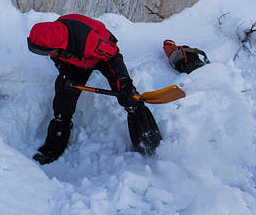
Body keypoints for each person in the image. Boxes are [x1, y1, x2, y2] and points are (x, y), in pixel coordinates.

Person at [27, 13, 160, 164]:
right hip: (76, 59)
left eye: (48, 52)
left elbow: (113, 57)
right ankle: (54, 146)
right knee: (63, 97)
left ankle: (148, 140)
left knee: (127, 96)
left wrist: (124, 83)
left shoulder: (89, 41)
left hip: (102, 55)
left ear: (57, 45)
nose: (48, 55)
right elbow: (57, 58)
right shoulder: (52, 36)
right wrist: (64, 70)